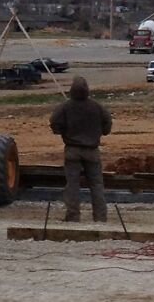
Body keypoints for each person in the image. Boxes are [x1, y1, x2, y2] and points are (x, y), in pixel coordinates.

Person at [49, 76, 112, 222]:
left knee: (72, 185)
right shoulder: (96, 106)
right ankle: (100, 217)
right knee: (97, 185)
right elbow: (107, 121)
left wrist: (63, 132)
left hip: (72, 150)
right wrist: (102, 131)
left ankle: (73, 216)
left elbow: (54, 123)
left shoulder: (65, 107)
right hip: (92, 151)